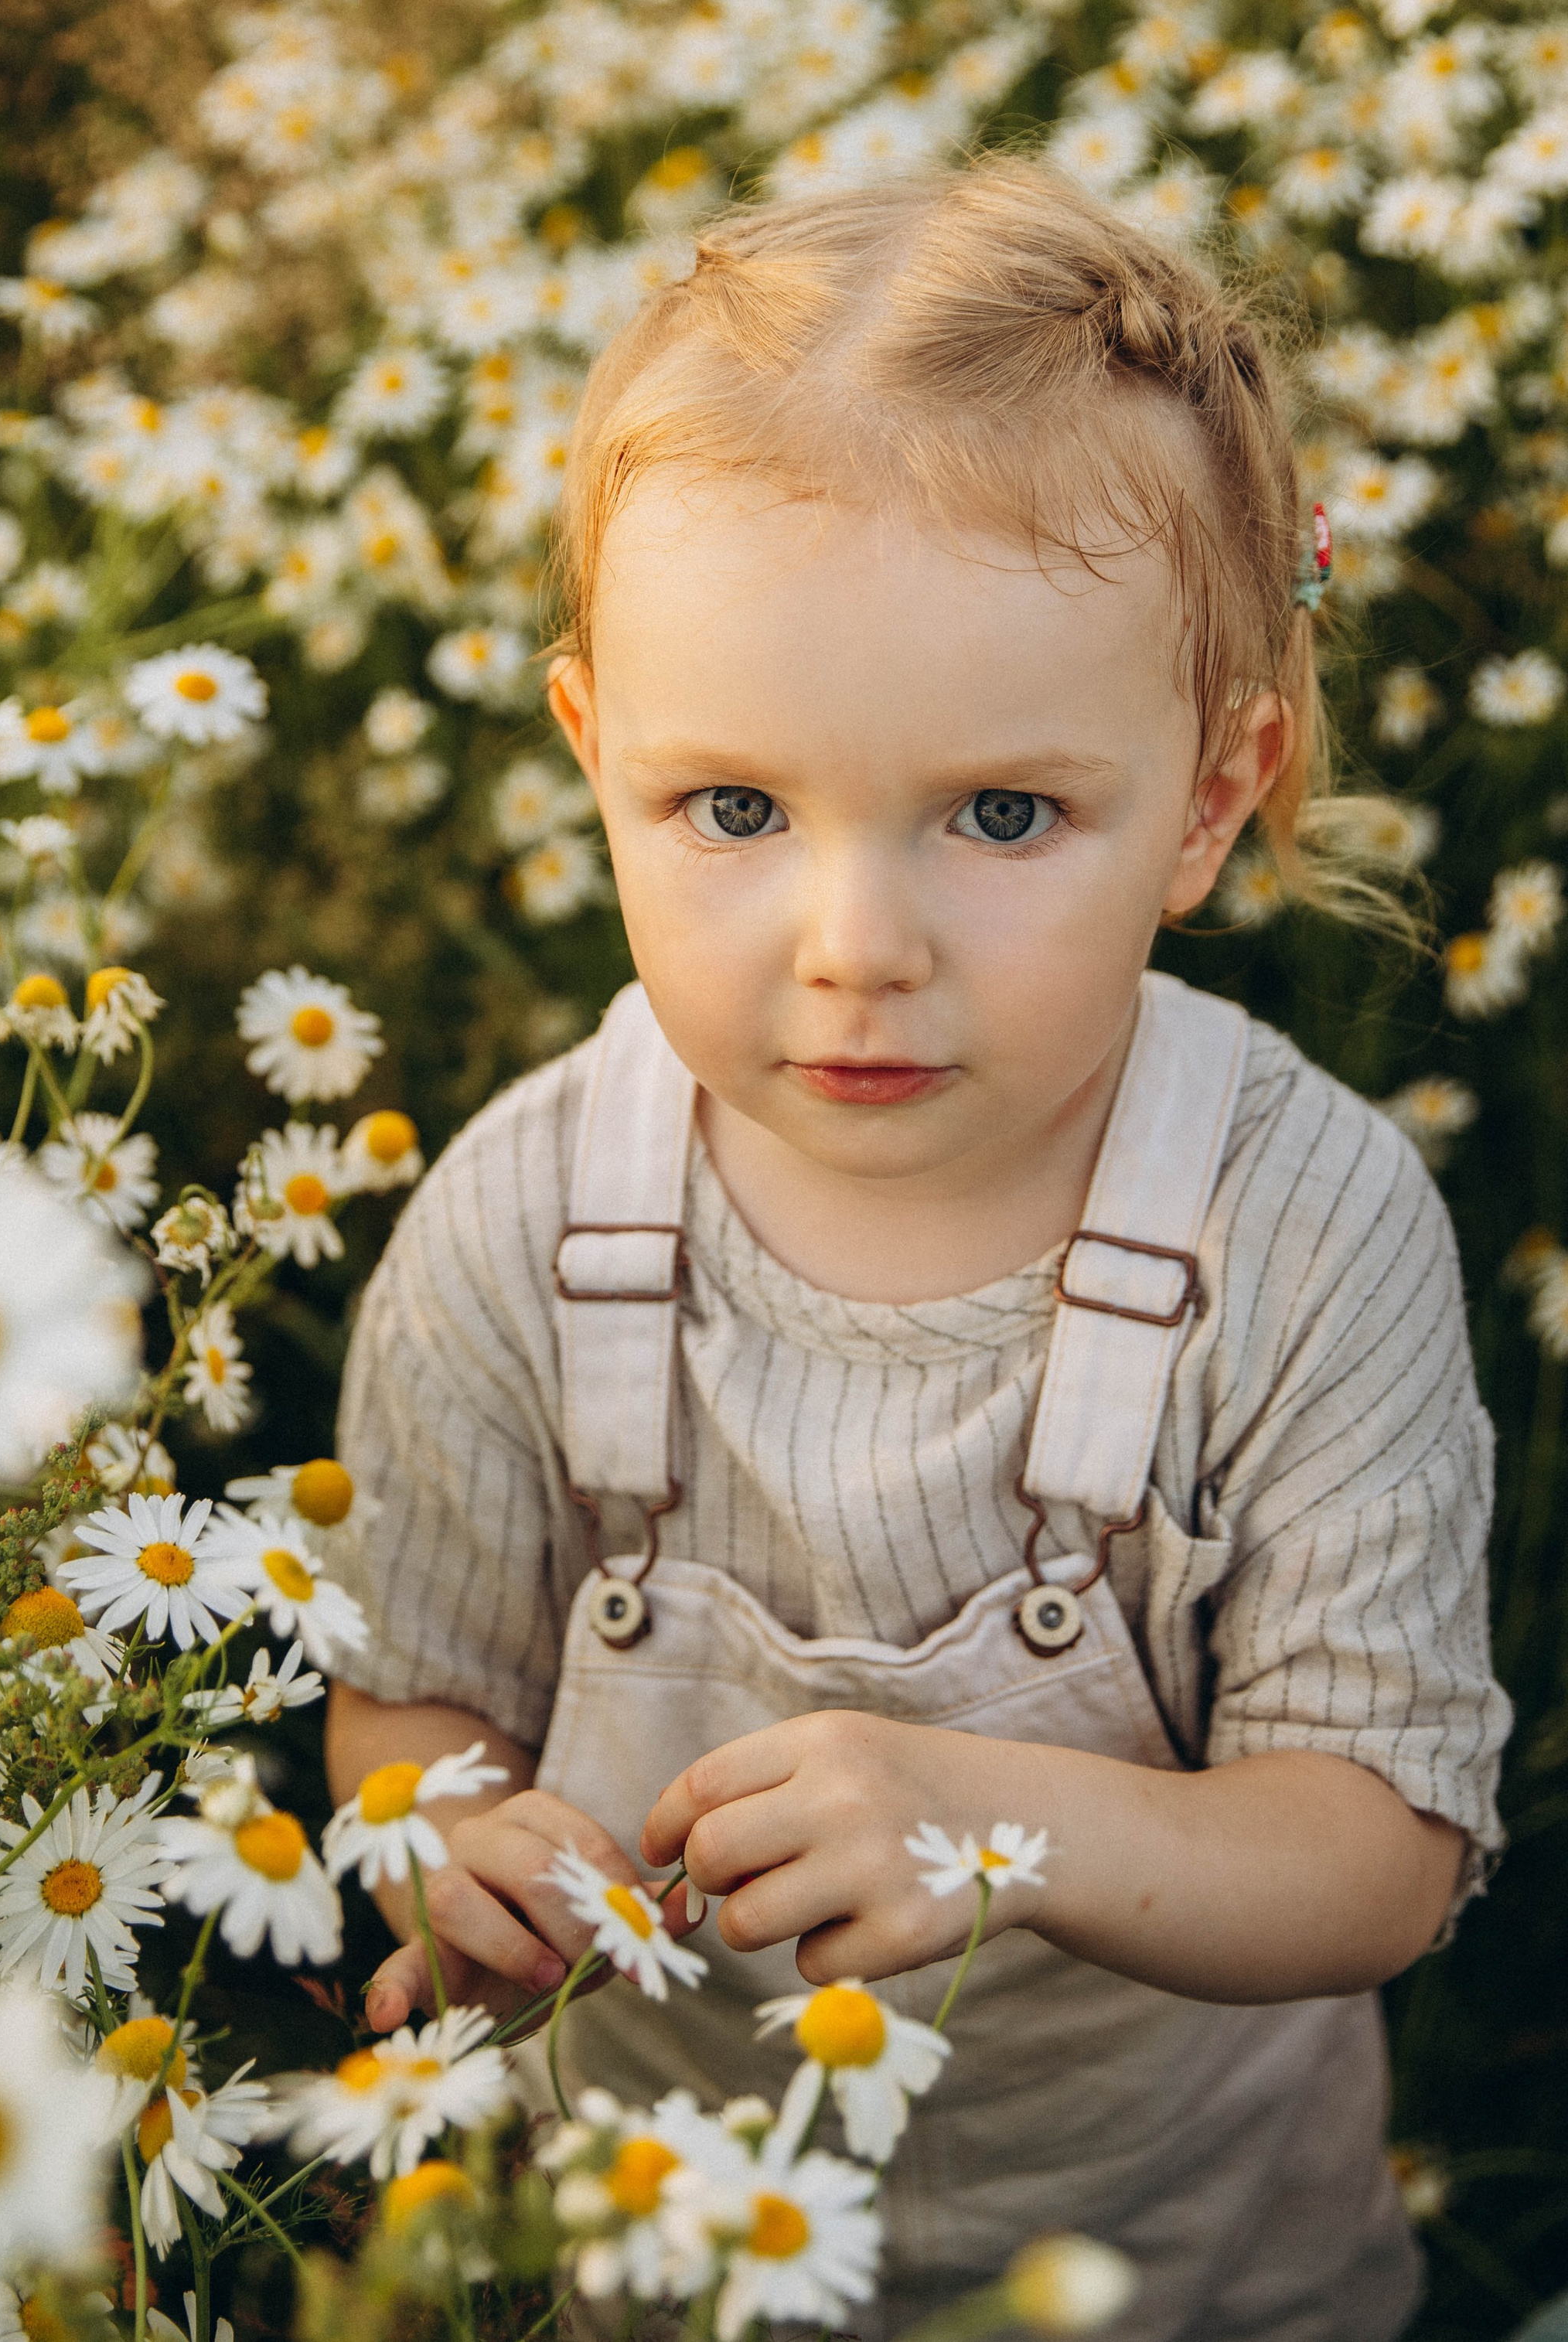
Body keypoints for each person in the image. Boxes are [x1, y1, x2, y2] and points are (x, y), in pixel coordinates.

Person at [316, 160, 1510, 2339]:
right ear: (598, 761)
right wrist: (452, 1847)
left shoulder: (1305, 1229)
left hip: (1192, 2279)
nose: (857, 949)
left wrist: (990, 1822)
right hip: (667, 2261)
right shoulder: (523, 1210)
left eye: (1001, 817)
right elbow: (416, 1701)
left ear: (1211, 799)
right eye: (736, 812)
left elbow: (1378, 1847)